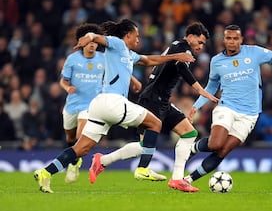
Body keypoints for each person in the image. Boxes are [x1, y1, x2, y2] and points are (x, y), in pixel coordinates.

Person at [33, 18, 195, 193]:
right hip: (113, 102)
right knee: (155, 123)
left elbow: (149, 60)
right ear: (127, 35)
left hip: (99, 105)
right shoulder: (117, 44)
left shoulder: (129, 54)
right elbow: (97, 37)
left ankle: (45, 172)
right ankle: (143, 169)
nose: (138, 40)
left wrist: (175, 57)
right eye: (136, 36)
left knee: (81, 148)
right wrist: (89, 37)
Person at [88, 21, 219, 192]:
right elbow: (182, 69)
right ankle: (117, 164)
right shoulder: (183, 49)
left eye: (203, 44)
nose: (201, 47)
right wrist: (201, 90)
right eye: (200, 42)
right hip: (153, 100)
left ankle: (177, 179)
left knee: (189, 133)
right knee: (145, 146)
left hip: (160, 100)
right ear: (191, 37)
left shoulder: (177, 45)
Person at [183, 24, 272, 188]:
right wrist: (197, 106)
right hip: (227, 107)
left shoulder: (254, 52)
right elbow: (211, 87)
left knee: (222, 151)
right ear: (224, 40)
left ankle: (187, 180)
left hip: (250, 114)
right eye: (228, 38)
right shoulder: (216, 61)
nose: (232, 42)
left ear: (241, 39)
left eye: (235, 38)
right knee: (216, 144)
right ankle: (191, 149)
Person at [60, 23, 143, 183]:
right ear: (82, 42)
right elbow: (63, 81)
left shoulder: (103, 57)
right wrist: (67, 87)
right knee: (70, 137)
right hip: (72, 104)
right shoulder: (72, 59)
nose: (92, 45)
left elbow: (118, 68)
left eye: (94, 42)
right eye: (89, 41)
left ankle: (74, 162)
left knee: (80, 135)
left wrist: (133, 79)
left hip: (91, 103)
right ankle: (73, 157)